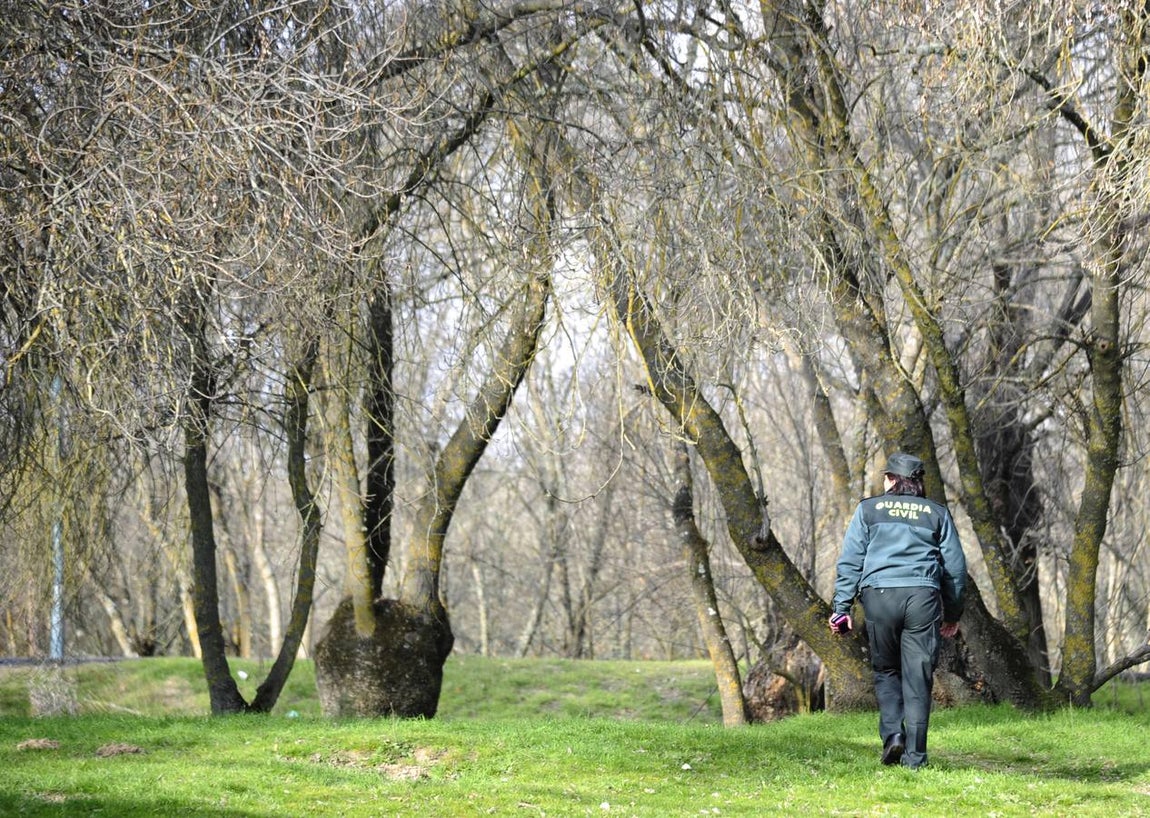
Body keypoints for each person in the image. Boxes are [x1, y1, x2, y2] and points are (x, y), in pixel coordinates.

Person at [829, 452, 967, 770]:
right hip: (923, 596)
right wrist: (953, 614)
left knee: (886, 670)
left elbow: (850, 561)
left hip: (879, 595)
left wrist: (841, 607)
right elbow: (955, 570)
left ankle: (893, 735)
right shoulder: (937, 513)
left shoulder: (868, 509)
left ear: (891, 479)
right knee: (918, 678)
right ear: (918, 482)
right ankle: (916, 759)